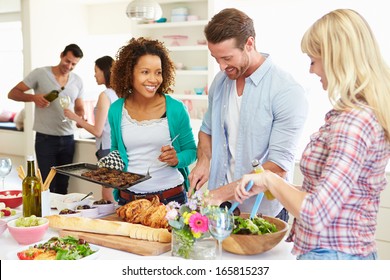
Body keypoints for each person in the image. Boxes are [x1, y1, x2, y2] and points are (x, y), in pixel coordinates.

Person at [235, 9, 390, 260]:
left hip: (335, 257)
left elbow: (316, 213)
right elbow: (331, 194)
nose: (311, 70)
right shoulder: (353, 115)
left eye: (313, 60)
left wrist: (271, 180)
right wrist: (271, 185)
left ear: (336, 58)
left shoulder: (354, 123)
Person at [188, 8, 308, 222]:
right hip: (219, 208)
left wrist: (219, 194)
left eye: (227, 58)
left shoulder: (286, 91)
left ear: (249, 44)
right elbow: (207, 132)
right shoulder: (220, 82)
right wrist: (203, 161)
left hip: (261, 211)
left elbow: (278, 168)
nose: (222, 66)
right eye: (216, 58)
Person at [108, 37, 197, 205]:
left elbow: (192, 151)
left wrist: (177, 158)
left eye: (158, 72)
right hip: (128, 200)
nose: (153, 79)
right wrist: (109, 168)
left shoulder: (176, 109)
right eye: (145, 72)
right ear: (129, 73)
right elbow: (116, 149)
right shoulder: (116, 110)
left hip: (170, 199)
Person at [8, 44, 85, 195]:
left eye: (74, 64)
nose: (69, 66)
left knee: (63, 185)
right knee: (46, 185)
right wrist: (33, 97)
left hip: (68, 139)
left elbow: (79, 107)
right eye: (67, 61)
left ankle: (61, 218)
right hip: (45, 139)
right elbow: (12, 93)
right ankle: (46, 217)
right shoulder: (40, 73)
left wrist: (80, 116)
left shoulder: (77, 81)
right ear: (61, 55)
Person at [64, 55, 118, 201]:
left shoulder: (105, 95)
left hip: (107, 149)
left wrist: (75, 117)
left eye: (96, 71)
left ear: (105, 71)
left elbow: (97, 131)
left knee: (107, 195)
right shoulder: (120, 94)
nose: (94, 74)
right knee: (117, 193)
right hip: (118, 149)